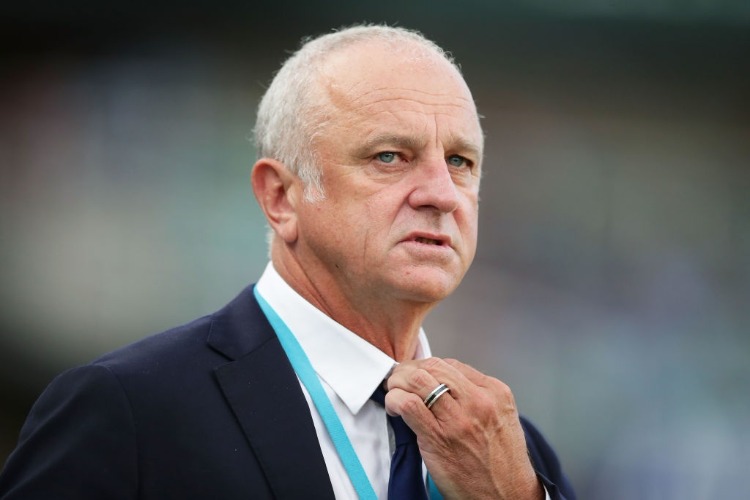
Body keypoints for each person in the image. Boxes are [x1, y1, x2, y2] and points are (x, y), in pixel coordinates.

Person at [0, 25, 576, 499]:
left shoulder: (514, 452)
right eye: (389, 156)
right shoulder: (128, 410)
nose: (441, 193)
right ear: (281, 197)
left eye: (460, 161)